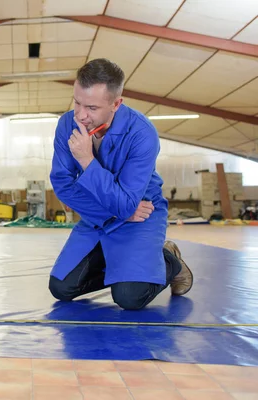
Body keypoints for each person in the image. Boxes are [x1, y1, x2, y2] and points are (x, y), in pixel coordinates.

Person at [48, 58, 193, 310]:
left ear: (116, 104)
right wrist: (113, 214)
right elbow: (62, 184)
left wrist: (87, 161)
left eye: (92, 108)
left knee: (129, 297)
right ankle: (128, 268)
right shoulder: (66, 125)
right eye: (77, 102)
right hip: (102, 215)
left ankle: (170, 261)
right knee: (61, 287)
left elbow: (129, 203)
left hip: (142, 213)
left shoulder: (142, 134)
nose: (80, 116)